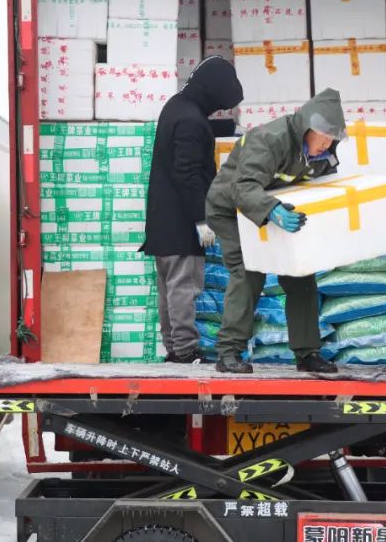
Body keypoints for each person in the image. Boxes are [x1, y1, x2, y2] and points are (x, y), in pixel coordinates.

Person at [205, 88, 347, 374]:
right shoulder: (270, 139)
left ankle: (307, 353)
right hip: (231, 210)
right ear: (307, 127)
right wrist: (272, 210)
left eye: (332, 138)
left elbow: (324, 190)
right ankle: (229, 353)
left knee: (300, 274)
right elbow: (243, 187)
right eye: (324, 136)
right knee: (249, 271)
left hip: (278, 213)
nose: (327, 144)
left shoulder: (323, 154)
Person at [140, 56, 243, 364]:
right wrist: (201, 220)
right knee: (184, 287)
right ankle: (186, 351)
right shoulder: (191, 120)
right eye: (220, 105)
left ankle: (174, 348)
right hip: (181, 220)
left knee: (169, 288)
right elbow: (188, 174)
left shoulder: (176, 107)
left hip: (162, 221)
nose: (218, 111)